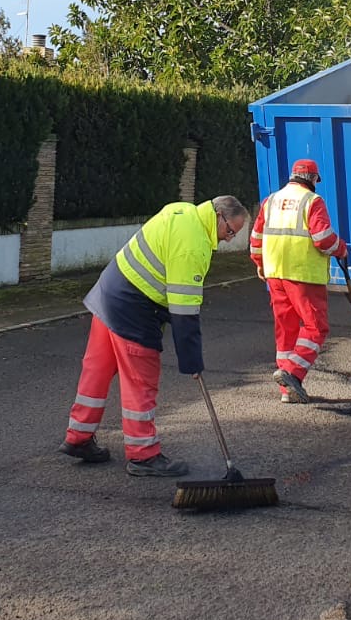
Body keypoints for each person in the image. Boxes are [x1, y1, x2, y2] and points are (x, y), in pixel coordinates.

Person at [59, 195, 253, 476]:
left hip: (109, 291)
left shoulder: (182, 210)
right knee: (141, 379)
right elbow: (184, 312)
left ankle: (79, 436)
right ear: (219, 215)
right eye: (230, 231)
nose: (228, 239)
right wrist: (192, 362)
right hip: (133, 307)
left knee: (97, 371)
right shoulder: (194, 245)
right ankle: (143, 455)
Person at [249, 158, 349, 404]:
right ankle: (293, 373)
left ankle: (288, 392)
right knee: (316, 328)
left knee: (286, 331)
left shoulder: (270, 201)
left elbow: (255, 239)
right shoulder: (312, 201)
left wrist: (260, 263)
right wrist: (341, 249)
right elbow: (323, 239)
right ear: (313, 179)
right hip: (303, 276)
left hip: (275, 274)